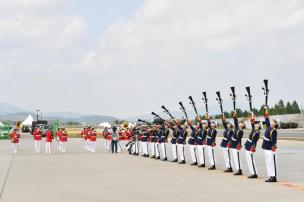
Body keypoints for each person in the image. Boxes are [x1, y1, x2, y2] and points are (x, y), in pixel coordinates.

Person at [262, 107, 278, 182]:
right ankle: (270, 175)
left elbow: (274, 141)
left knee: (271, 162)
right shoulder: (268, 127)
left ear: (275, 124)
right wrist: (266, 110)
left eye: (273, 122)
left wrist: (273, 148)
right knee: (268, 162)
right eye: (271, 121)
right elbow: (266, 118)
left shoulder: (273, 131)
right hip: (265, 147)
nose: (271, 122)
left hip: (270, 148)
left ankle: (273, 177)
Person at [244, 114, 260, 178]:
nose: (255, 125)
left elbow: (254, 142)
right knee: (249, 161)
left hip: (251, 147)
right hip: (248, 146)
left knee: (251, 160)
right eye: (255, 124)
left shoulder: (257, 133)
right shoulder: (254, 130)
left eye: (257, 125)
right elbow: (252, 123)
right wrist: (252, 115)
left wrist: (252, 148)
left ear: (259, 127)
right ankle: (252, 172)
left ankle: (254, 173)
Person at [231, 111, 245, 175]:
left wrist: (239, 145)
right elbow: (235, 122)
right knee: (235, 157)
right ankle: (237, 169)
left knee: (237, 158)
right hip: (233, 145)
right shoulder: (237, 128)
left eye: (242, 123)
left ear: (243, 126)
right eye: (240, 123)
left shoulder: (241, 131)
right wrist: (235, 116)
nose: (240, 124)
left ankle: (239, 170)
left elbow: (239, 138)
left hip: (236, 145)